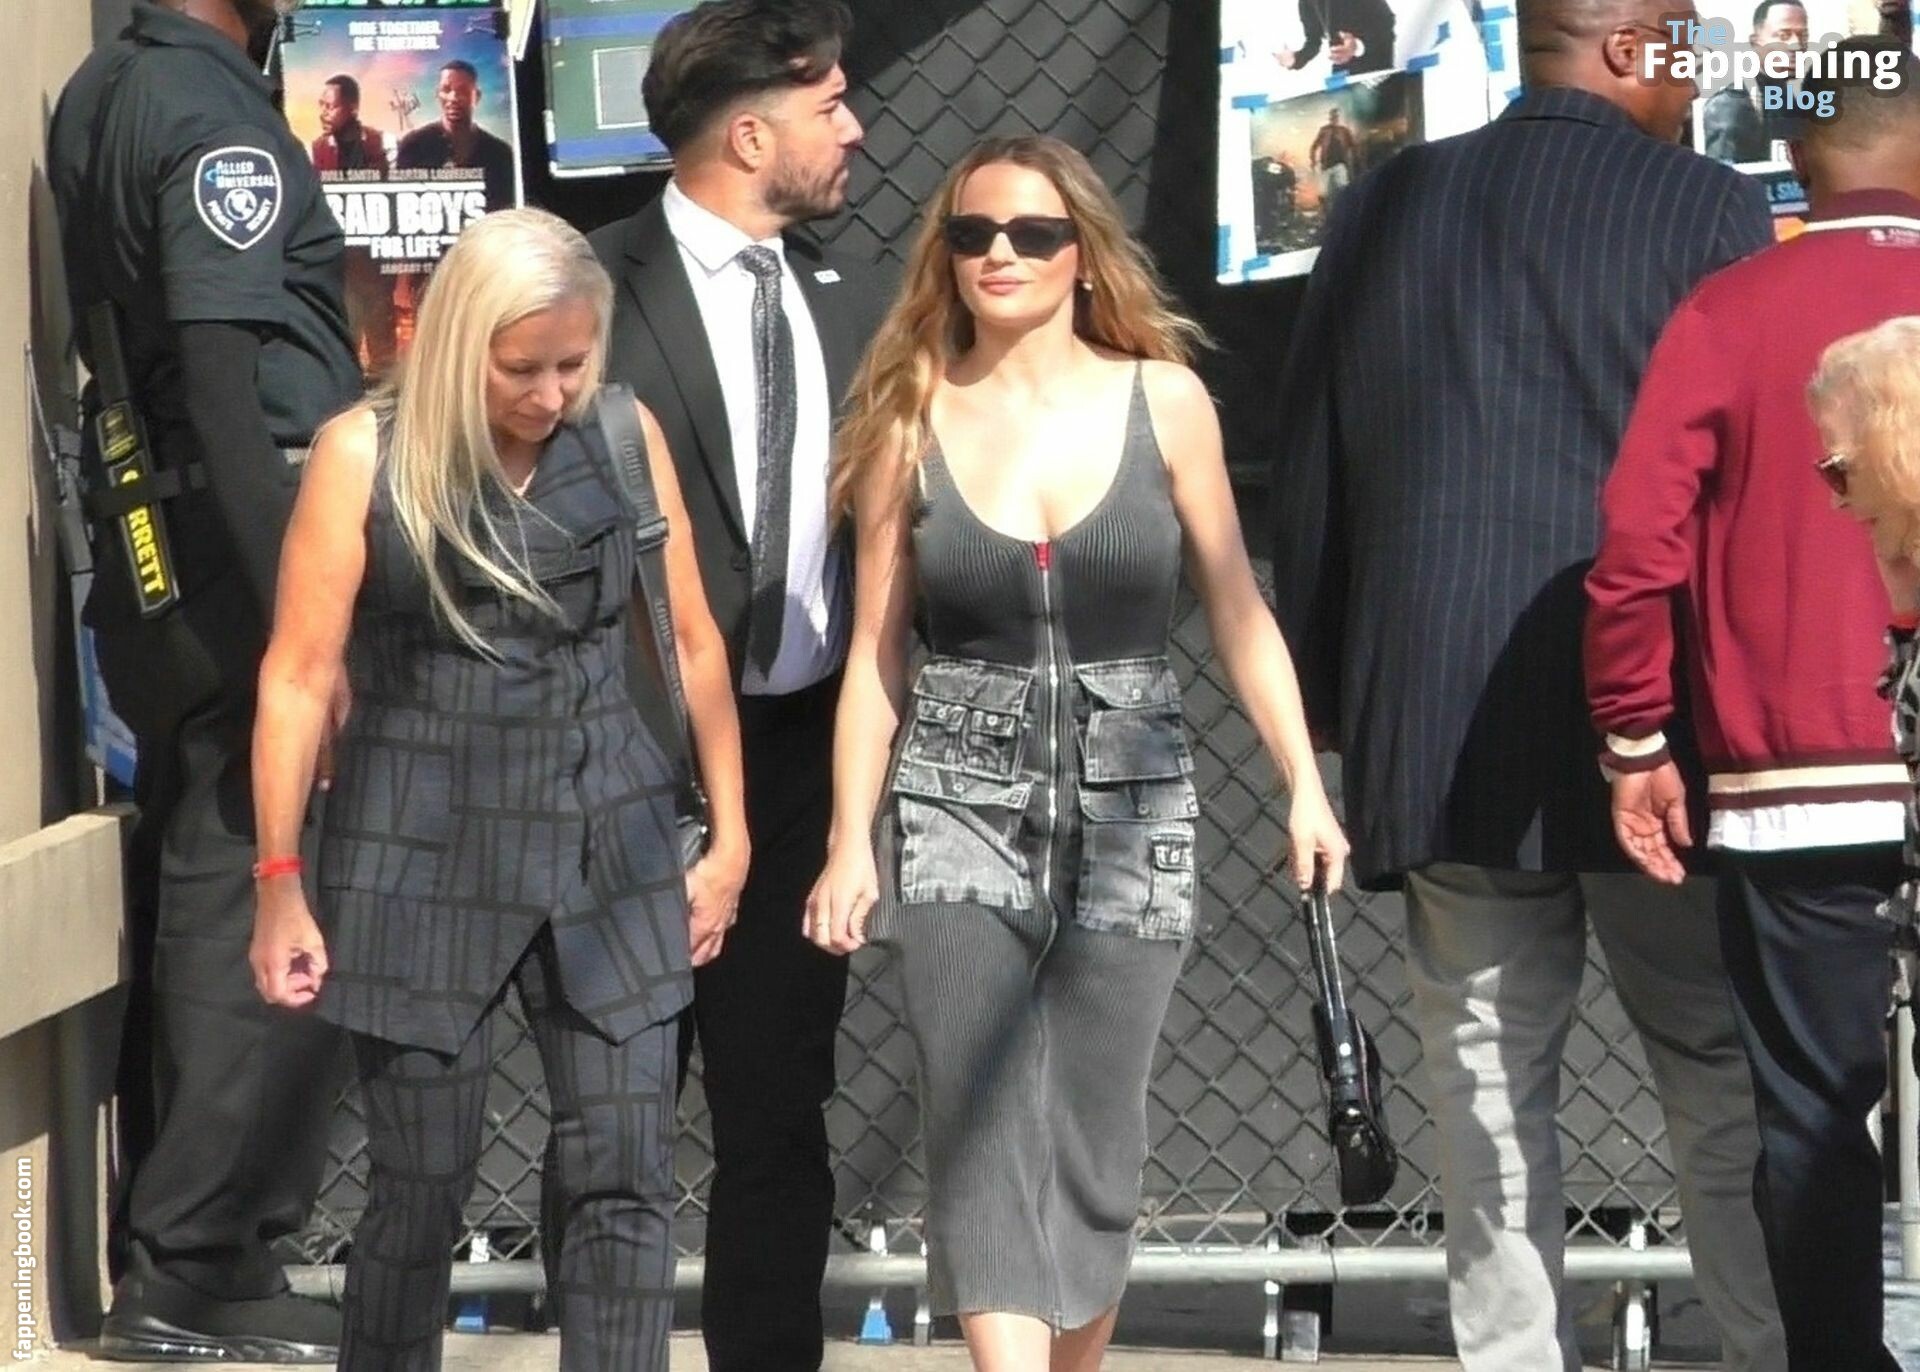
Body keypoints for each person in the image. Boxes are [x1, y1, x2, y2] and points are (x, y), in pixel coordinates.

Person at [1268, 0, 1790, 1365]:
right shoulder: (1707, 207)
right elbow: (1751, 478)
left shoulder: (1382, 205)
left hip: (1440, 710)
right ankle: (1772, 1348)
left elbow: (1314, 471)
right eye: (1681, 39)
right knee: (1720, 1069)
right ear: (1625, 44)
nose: (1695, 70)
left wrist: (1330, 702)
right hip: (1666, 727)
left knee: (1487, 1082)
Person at [810, 133, 1350, 1372]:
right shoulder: (907, 414)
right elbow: (878, 655)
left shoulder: (1165, 401)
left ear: (1085, 255)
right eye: (973, 233)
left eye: (1034, 233)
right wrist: (850, 840)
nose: (1000, 254)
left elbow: (1238, 607)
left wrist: (1304, 787)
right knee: (979, 1116)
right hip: (955, 795)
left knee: (1097, 1129)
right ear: (946, 256)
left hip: (1135, 796)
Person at [248, 207, 749, 1370]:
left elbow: (689, 640)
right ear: (458, 340)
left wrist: (729, 840)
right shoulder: (362, 454)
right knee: (420, 1182)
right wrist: (279, 880)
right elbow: (297, 675)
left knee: (626, 1172)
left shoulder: (619, 433)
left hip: (609, 843)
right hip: (418, 852)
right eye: (521, 367)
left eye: (572, 363)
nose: (550, 392)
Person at [1587, 44, 1920, 1371]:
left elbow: (1636, 545)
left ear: (1791, 158)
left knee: (1812, 1119)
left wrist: (1634, 734)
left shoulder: (1730, 310)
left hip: (1796, 791)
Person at [46, 0, 362, 1358]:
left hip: (163, 538)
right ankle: (197, 1261)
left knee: (208, 866)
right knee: (257, 873)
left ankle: (190, 1248)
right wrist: (304, 621)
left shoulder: (106, 88)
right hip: (242, 541)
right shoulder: (210, 110)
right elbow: (228, 378)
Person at [586, 4, 887, 1368]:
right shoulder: (593, 289)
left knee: (778, 1114)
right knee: (615, 1117)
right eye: (831, 107)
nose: (856, 130)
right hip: (624, 766)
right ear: (751, 133)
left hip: (800, 755)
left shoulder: (859, 298)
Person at [393, 60, 516, 213]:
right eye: (446, 90)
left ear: (476, 96)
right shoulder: (413, 146)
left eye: (462, 91)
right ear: (437, 95)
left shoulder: (500, 153)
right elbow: (402, 208)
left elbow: (507, 213)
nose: (453, 98)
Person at [1699, 0, 1809, 163]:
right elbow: (1723, 176)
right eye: (1783, 36)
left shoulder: (1789, 100)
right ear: (1754, 43)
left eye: (1803, 36)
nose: (1797, 45)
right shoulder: (1732, 105)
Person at [1277, 0, 1397, 75]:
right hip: (1343, 68)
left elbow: (1386, 21)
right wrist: (1296, 59)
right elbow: (1313, 41)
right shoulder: (1305, 3)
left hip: (1376, 64)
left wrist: (1357, 46)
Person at [311, 74, 389, 175]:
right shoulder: (318, 149)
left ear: (353, 108)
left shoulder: (381, 142)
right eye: (321, 105)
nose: (323, 113)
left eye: (330, 106)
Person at [1308, 109, 1359, 209]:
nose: (1334, 119)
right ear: (1330, 118)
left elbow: (1353, 145)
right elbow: (1314, 146)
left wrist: (1356, 158)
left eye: (1336, 117)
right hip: (1326, 165)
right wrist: (1313, 160)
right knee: (1323, 192)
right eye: (1332, 117)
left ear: (1338, 118)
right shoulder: (1324, 130)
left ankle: (1345, 207)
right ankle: (1325, 210)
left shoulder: (1344, 131)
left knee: (1343, 187)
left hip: (1339, 164)